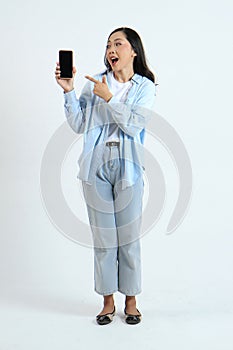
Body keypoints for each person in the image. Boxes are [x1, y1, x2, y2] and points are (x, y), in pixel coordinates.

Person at [55, 27, 156, 325]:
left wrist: (109, 99)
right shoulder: (96, 82)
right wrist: (69, 90)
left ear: (133, 50)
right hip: (95, 165)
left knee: (129, 236)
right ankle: (107, 301)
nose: (111, 49)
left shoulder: (145, 86)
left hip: (128, 166)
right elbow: (78, 123)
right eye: (108, 45)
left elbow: (135, 125)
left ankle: (132, 300)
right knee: (103, 238)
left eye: (118, 44)